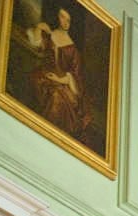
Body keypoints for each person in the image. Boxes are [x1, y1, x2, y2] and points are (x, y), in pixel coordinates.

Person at [30, 8, 91, 141]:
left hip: (63, 81)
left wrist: (59, 79)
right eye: (62, 17)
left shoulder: (73, 49)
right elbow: (37, 46)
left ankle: (48, 136)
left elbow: (74, 75)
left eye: (68, 20)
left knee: (57, 97)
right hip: (45, 74)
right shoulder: (51, 34)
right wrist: (39, 27)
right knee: (36, 81)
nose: (65, 22)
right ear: (56, 17)